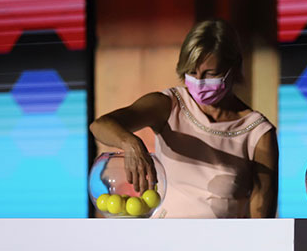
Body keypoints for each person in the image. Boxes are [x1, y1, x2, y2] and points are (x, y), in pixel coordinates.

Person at [90, 19, 278, 218]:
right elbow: (100, 125)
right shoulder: (170, 104)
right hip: (164, 244)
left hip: (223, 247)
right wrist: (130, 142)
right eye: (191, 73)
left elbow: (262, 221)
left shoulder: (257, 132)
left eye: (210, 74)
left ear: (234, 67)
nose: (199, 81)